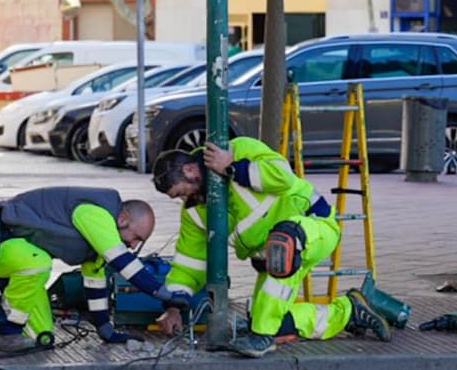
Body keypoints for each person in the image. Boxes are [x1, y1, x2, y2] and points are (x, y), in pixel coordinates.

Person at [151, 138, 393, 358]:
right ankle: (350, 312)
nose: (184, 199)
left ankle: (262, 337)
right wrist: (174, 306)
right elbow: (189, 263)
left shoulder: (238, 149)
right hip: (276, 257)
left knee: (280, 252)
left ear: (190, 170)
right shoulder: (194, 211)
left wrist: (232, 167)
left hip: (312, 227)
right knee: (273, 321)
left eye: (182, 192)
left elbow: (283, 176)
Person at [0, 186, 187, 351]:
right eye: (136, 237)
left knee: (40, 336)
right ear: (123, 218)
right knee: (39, 265)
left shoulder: (100, 243)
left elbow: (95, 284)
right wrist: (165, 294)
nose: (134, 245)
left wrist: (106, 330)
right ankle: (7, 327)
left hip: (22, 257)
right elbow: (124, 263)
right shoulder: (96, 213)